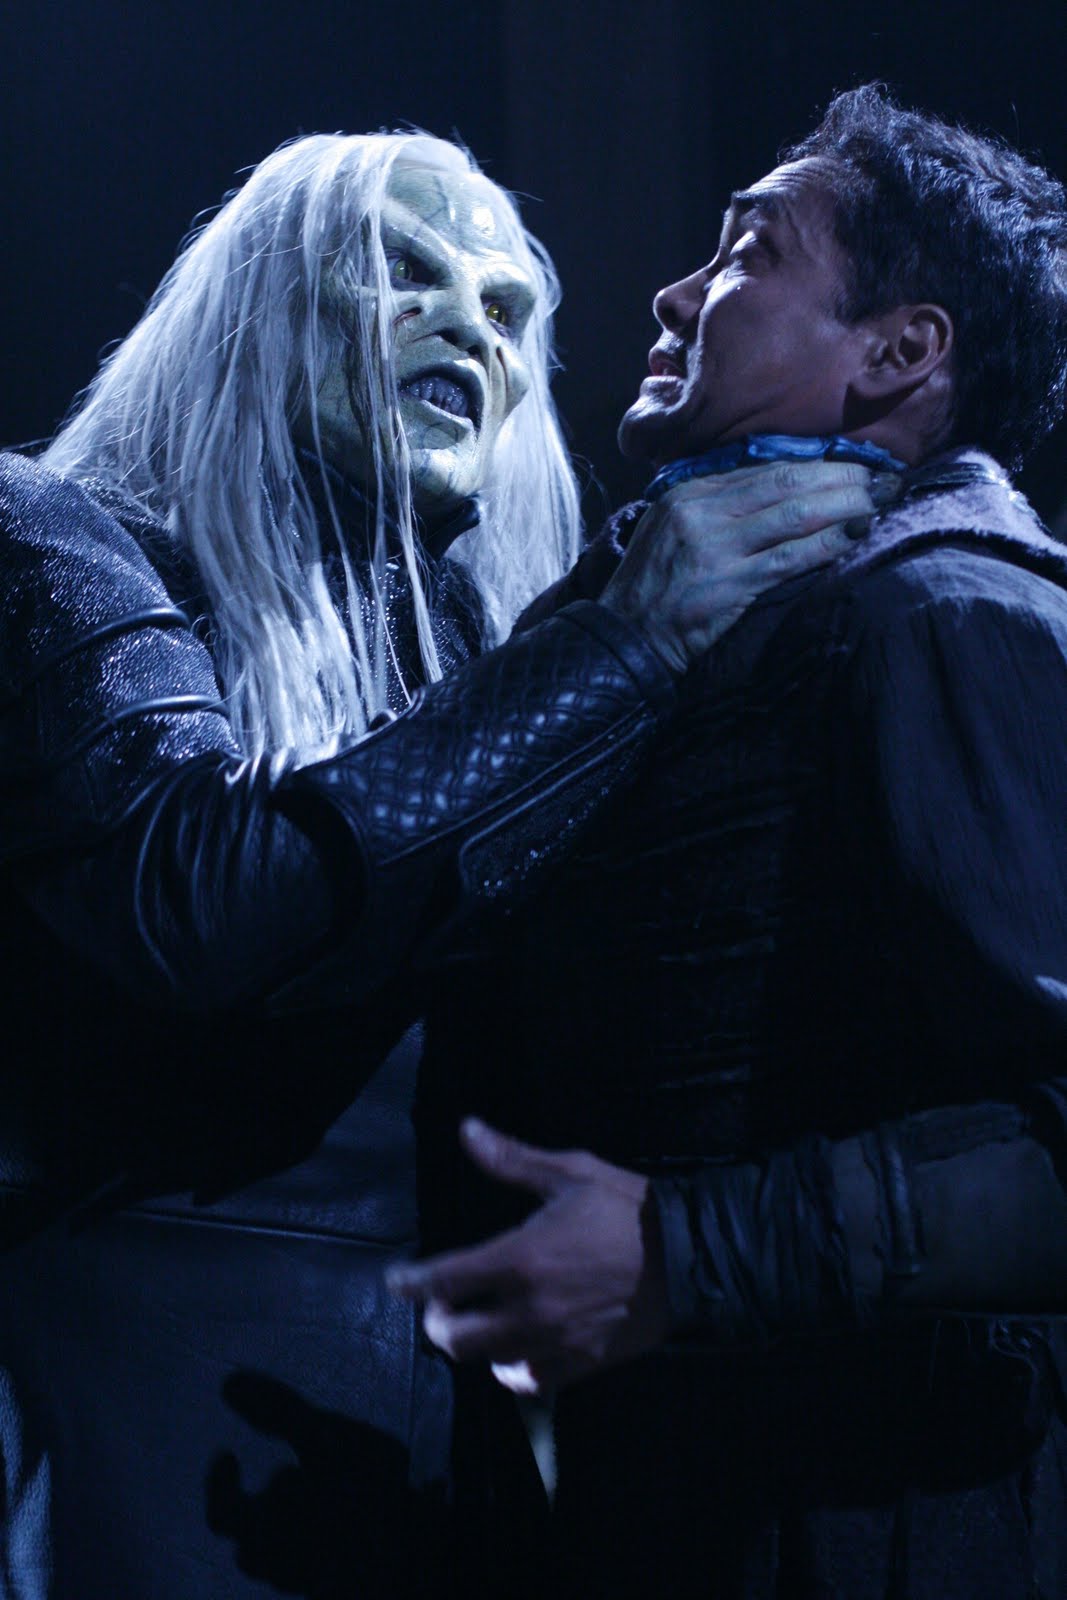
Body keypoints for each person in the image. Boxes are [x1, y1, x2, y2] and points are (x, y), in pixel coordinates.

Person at [0, 131, 870, 1597]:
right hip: (118, 1432)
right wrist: (622, 642)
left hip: (420, 1465)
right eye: (401, 270)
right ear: (257, 307)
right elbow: (193, 899)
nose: (470, 322)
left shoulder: (495, 656)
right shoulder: (50, 536)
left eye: (506, 308)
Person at [391, 86, 1067, 1596]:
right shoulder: (716, 632)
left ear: (898, 351)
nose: (677, 293)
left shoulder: (950, 617)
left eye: (749, 253)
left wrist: (687, 1256)